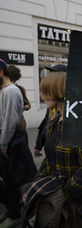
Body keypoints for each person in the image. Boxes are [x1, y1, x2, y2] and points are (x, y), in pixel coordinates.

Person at [34, 72, 82, 227]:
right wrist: (38, 181)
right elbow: (50, 157)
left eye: (46, 91)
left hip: (80, 205)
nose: (42, 96)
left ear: (58, 91)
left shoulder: (80, 123)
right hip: (58, 199)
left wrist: (62, 193)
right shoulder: (55, 120)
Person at [0, 59, 37, 228]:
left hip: (13, 141)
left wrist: (4, 144)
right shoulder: (5, 91)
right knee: (8, 179)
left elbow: (9, 121)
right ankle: (12, 208)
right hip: (10, 140)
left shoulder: (10, 91)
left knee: (15, 179)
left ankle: (17, 213)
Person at [34, 64, 67, 157]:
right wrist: (39, 145)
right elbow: (45, 125)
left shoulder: (74, 121)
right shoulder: (53, 109)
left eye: (53, 77)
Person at [8, 65, 31, 143]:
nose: (12, 83)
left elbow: (28, 104)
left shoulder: (20, 89)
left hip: (20, 126)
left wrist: (26, 107)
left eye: (13, 80)